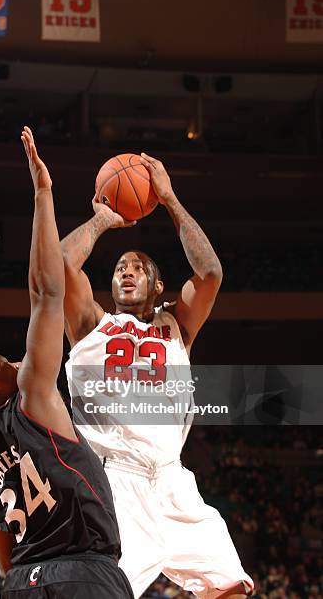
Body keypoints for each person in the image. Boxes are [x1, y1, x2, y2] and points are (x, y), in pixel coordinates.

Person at [61, 153, 254, 598]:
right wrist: (100, 222)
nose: (126, 272)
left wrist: (168, 198)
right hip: (114, 479)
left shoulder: (176, 325)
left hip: (172, 479)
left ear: (157, 286)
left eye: (138, 268)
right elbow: (61, 266)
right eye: (119, 269)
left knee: (231, 587)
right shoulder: (92, 323)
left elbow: (210, 273)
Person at [0, 127, 133, 599]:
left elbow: (3, 555)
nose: (15, 359)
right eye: (1, 363)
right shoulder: (31, 395)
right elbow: (46, 292)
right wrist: (43, 194)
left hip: (22, 583)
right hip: (84, 572)